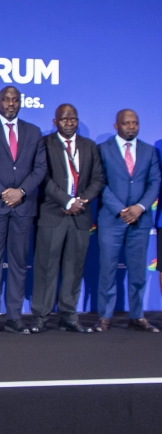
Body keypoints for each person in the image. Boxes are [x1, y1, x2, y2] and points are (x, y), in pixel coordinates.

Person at [0, 86, 46, 335]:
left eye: (15, 100)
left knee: (18, 263)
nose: (10, 104)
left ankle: (15, 316)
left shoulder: (33, 131)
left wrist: (21, 192)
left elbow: (39, 168)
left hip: (24, 207)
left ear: (20, 103)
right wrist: (1, 191)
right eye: (6, 100)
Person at [31, 103, 104, 334]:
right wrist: (67, 201)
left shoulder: (89, 146)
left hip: (80, 216)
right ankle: (41, 316)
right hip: (53, 214)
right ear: (55, 122)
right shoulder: (44, 144)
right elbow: (42, 177)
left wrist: (81, 201)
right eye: (64, 119)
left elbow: (98, 178)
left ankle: (69, 315)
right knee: (46, 268)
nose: (69, 123)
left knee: (74, 269)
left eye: (73, 119)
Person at [95, 110, 160, 333]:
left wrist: (140, 208)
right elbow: (99, 183)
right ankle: (105, 316)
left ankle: (137, 316)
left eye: (135, 123)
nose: (131, 127)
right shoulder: (103, 149)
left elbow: (155, 182)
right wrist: (121, 209)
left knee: (138, 270)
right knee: (108, 269)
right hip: (112, 218)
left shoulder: (149, 151)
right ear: (116, 126)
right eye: (127, 123)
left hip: (140, 220)